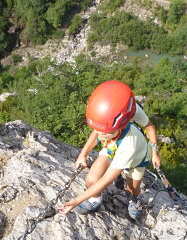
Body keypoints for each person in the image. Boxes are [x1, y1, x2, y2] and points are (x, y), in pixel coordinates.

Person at [59, 80, 161, 220]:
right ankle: (95, 200)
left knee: (132, 189)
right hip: (113, 147)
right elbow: (98, 132)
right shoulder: (109, 122)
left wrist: (154, 153)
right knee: (91, 179)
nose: (99, 135)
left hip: (137, 158)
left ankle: (134, 198)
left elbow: (107, 178)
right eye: (97, 130)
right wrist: (83, 154)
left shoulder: (129, 138)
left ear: (123, 122)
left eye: (105, 132)